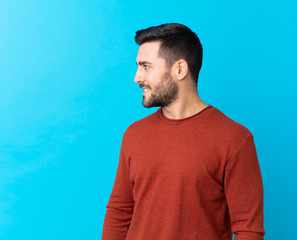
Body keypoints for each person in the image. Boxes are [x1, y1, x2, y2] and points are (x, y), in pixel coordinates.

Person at [102, 23, 265, 240]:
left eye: (146, 66)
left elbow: (248, 231)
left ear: (179, 69)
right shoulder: (134, 134)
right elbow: (119, 212)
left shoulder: (235, 139)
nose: (137, 77)